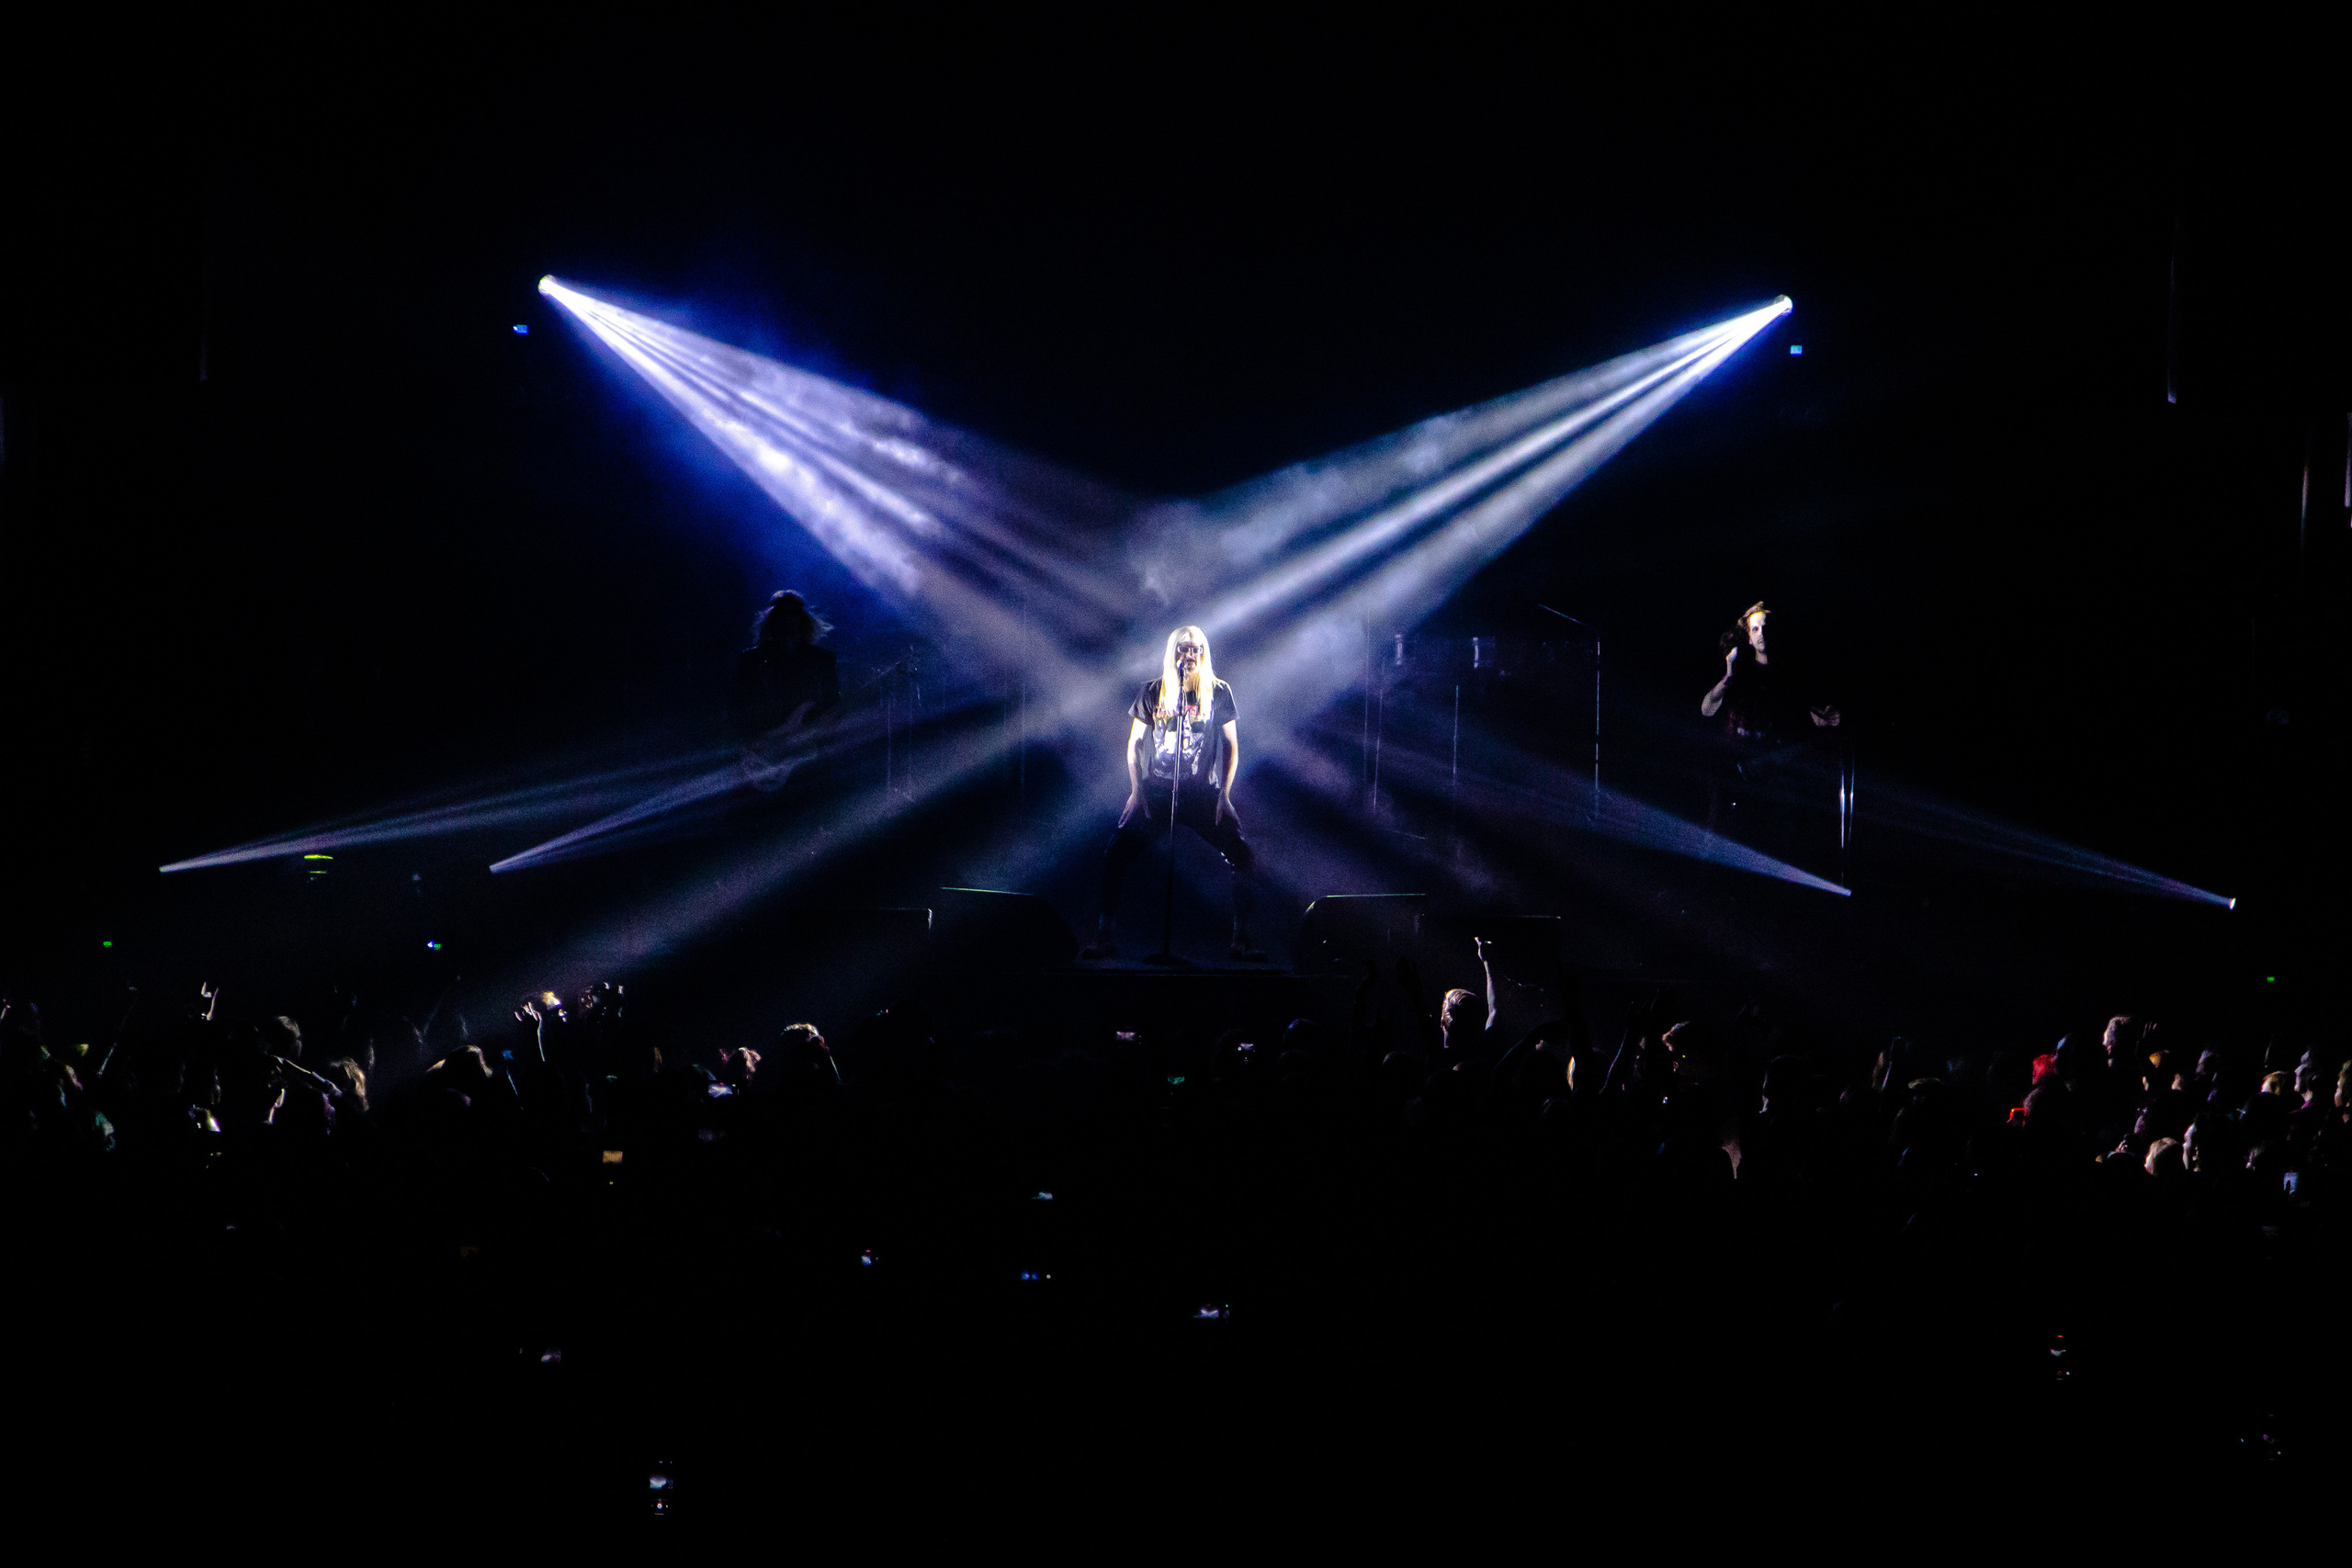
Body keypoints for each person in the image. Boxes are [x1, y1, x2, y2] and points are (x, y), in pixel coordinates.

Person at [1083, 625, 1262, 961]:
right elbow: (1134, 743)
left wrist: (1224, 795)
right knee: (1115, 853)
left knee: (1243, 855)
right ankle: (1103, 935)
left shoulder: (1218, 692)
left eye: (1195, 648)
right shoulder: (1153, 691)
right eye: (1183, 648)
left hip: (1201, 795)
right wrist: (1137, 791)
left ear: (1204, 653)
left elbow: (1231, 746)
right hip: (1158, 793)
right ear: (1173, 653)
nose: (1189, 654)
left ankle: (1241, 937)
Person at [1699, 601, 1838, 862]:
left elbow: (1805, 715)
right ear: (1749, 637)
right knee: (1718, 834)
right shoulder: (1740, 671)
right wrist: (1728, 676)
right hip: (1731, 768)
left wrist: (1826, 718)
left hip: (1770, 774)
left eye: (1765, 627)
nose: (1761, 632)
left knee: (1774, 839)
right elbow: (1707, 709)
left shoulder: (1788, 675)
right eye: (1755, 629)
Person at [731, 591, 842, 792]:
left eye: (792, 613)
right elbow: (737, 708)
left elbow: (833, 706)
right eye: (780, 614)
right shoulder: (751, 660)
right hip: (763, 750)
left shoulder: (822, 660)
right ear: (771, 619)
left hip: (805, 756)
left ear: (802, 618)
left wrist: (808, 734)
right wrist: (753, 746)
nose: (786, 619)